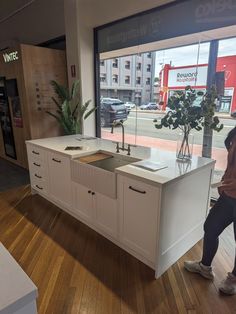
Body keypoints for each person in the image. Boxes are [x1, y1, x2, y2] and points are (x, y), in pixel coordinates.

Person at [184, 126, 236, 295]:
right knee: (211, 228)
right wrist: (225, 179)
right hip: (228, 196)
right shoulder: (235, 135)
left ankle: (233, 279)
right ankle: (205, 267)